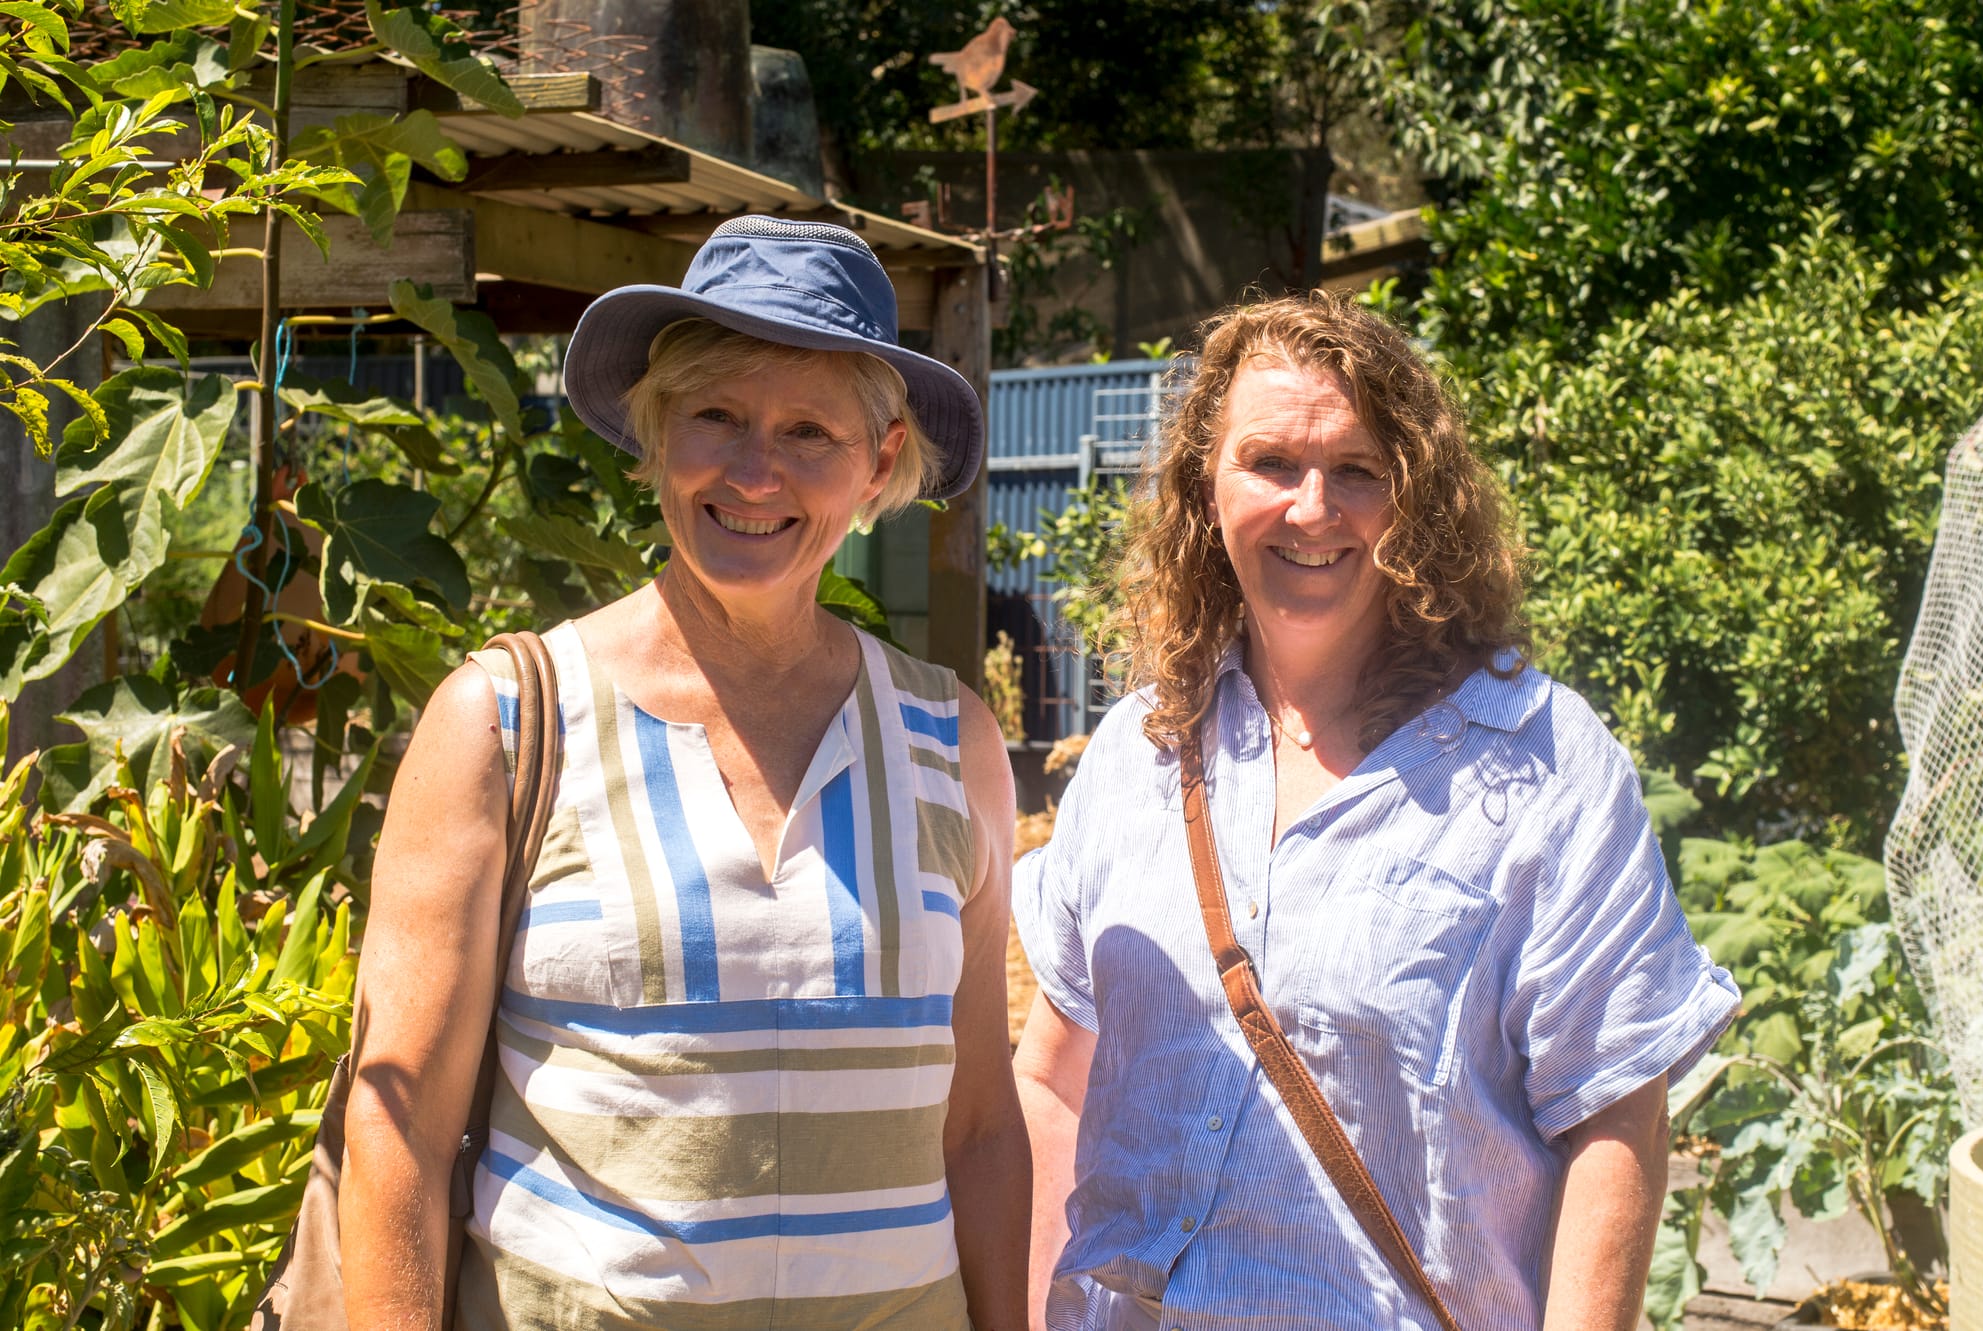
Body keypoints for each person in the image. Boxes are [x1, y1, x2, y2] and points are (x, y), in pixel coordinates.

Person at [343, 216, 1030, 1330]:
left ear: (880, 464)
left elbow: (980, 1127)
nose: (754, 471)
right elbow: (398, 1120)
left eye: (810, 431)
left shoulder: (953, 743)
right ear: (656, 433)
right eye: (715, 414)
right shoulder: (508, 721)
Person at [1012, 290, 1739, 1331]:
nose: (1312, 507)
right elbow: (1048, 1075)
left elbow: (1615, 1117)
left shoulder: (1539, 761)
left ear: (1414, 499)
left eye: (1355, 469)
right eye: (1269, 463)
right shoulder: (1139, 748)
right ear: (1202, 487)